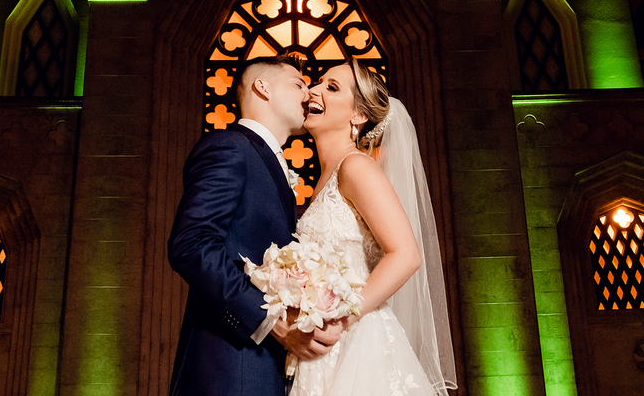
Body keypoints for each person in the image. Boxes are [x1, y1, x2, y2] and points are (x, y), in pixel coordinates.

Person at [168, 54, 344, 396]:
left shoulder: (267, 160)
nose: (309, 94)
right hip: (230, 365)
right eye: (299, 84)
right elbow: (191, 243)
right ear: (262, 87)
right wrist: (269, 319)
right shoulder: (229, 146)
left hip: (265, 365)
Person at [292, 60, 457, 395]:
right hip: (324, 342)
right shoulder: (326, 177)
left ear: (358, 115)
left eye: (331, 87)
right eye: (319, 82)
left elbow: (406, 255)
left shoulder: (356, 167)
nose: (314, 90)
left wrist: (340, 319)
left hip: (358, 342)